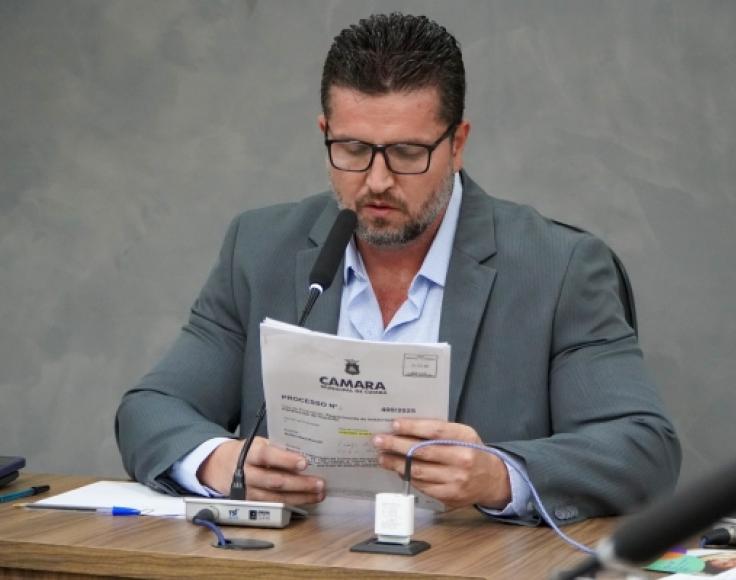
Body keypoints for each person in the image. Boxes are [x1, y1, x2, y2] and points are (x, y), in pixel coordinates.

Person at [115, 13, 681, 525]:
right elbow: (151, 409)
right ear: (325, 134)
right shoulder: (259, 249)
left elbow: (643, 448)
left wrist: (498, 474)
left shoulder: (558, 268)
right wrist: (220, 461)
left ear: (457, 144)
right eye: (353, 150)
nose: (378, 180)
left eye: (408, 154)